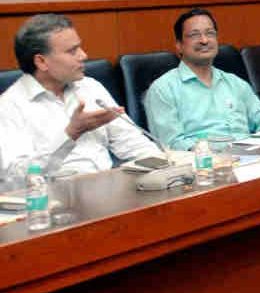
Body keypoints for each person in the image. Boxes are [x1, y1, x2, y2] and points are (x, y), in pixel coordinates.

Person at [0, 14, 161, 177]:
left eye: (79, 47)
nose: (83, 55)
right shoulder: (10, 106)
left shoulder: (90, 87)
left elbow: (133, 144)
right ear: (41, 62)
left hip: (108, 190)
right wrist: (71, 133)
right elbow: (15, 178)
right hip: (53, 198)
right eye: (72, 51)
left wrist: (164, 169)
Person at [144, 8, 260, 150]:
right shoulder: (163, 89)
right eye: (194, 35)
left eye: (210, 33)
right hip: (202, 165)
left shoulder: (235, 83)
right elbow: (171, 144)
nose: (204, 40)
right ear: (179, 45)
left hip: (251, 159)